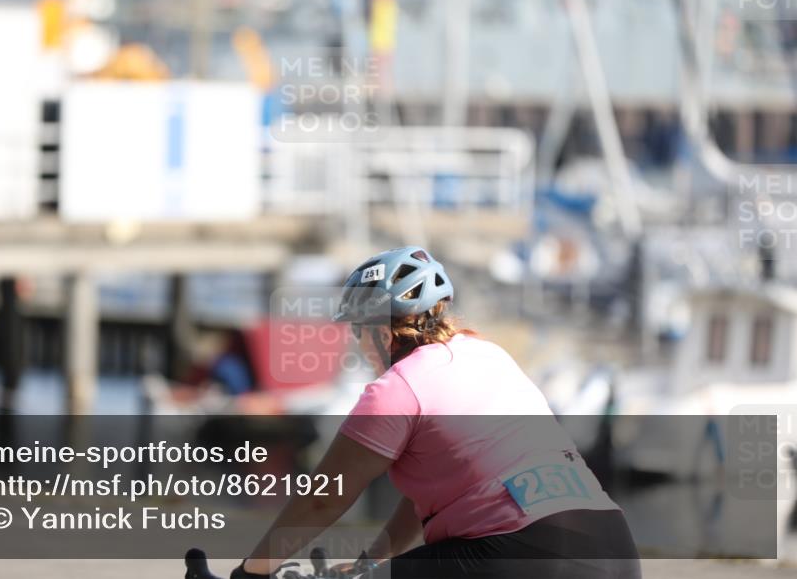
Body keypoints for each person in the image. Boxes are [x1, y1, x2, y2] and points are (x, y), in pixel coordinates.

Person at [231, 246, 640, 579]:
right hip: (613, 545)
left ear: (382, 331)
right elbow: (435, 492)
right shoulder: (489, 356)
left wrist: (251, 572)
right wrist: (372, 563)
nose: (356, 343)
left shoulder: (396, 389)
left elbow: (322, 500)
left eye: (357, 330)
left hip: (522, 552)